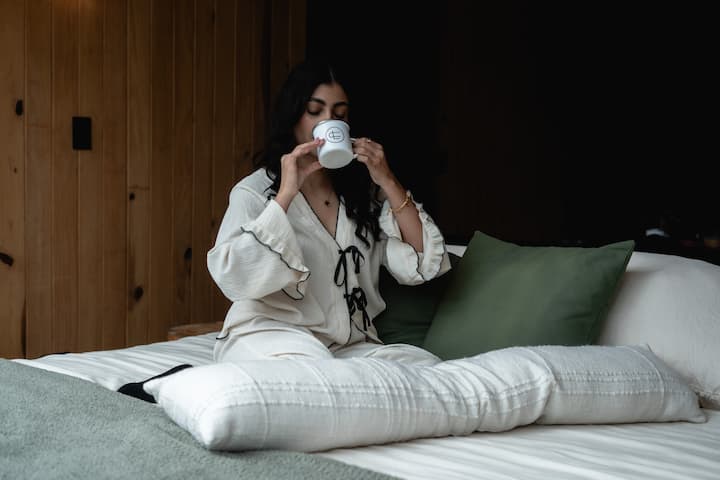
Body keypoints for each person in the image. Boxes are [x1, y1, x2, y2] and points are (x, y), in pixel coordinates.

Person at [207, 58, 451, 366]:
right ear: (293, 117)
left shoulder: (361, 195)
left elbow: (423, 261)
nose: (327, 122)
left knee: (423, 366)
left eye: (339, 114)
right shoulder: (254, 191)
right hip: (269, 336)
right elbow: (235, 277)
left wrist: (387, 180)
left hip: (347, 346)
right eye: (315, 110)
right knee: (312, 368)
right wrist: (285, 195)